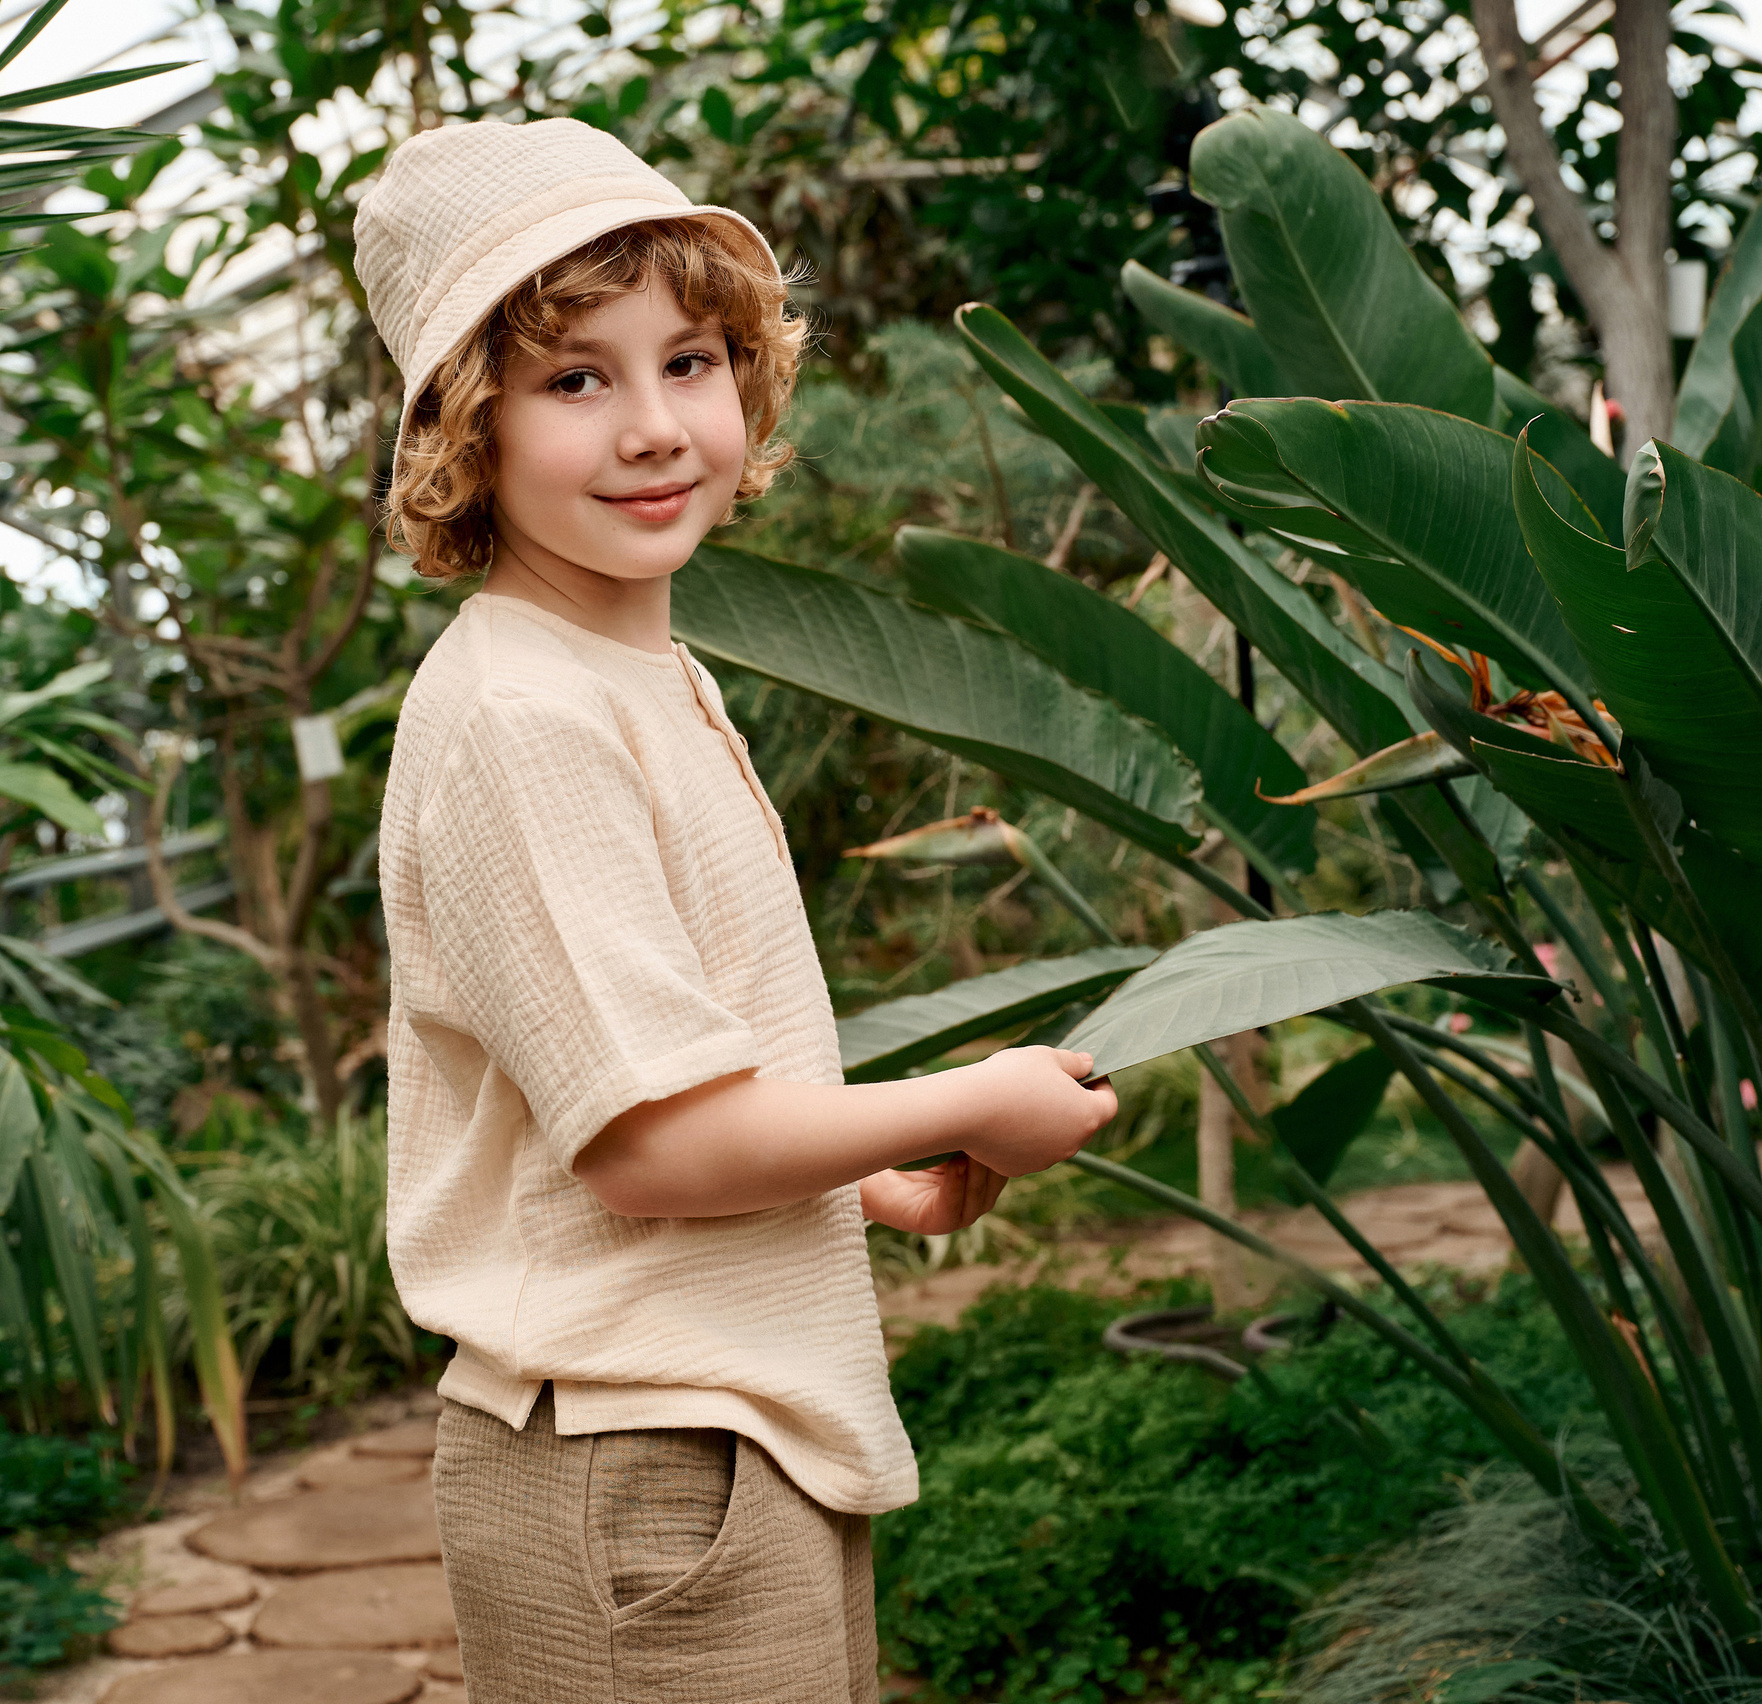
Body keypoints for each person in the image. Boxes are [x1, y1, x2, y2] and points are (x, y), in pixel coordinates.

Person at [355, 118, 1119, 1702]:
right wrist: (974, 1095)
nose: (653, 427)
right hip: (639, 1471)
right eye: (576, 380)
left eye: (690, 360)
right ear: (468, 427)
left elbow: (653, 1077)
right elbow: (647, 1146)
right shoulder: (525, 714)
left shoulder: (633, 670)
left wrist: (857, 1187)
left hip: (707, 1439)